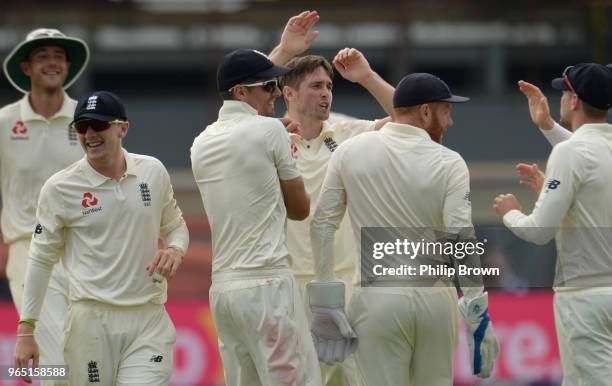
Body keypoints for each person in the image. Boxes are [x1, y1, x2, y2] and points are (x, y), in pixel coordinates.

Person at [310, 73, 499, 385]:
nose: (450, 122)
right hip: (435, 299)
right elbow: (461, 236)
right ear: (425, 112)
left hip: (376, 298)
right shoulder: (450, 162)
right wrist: (477, 313)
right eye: (446, 112)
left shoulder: (349, 151)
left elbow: (321, 225)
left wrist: (326, 301)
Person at [13, 90, 189, 385]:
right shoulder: (60, 188)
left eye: (100, 125)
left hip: (148, 319)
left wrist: (175, 248)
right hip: (91, 323)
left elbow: (175, 225)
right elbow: (40, 261)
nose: (90, 134)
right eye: (82, 127)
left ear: (123, 128)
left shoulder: (153, 172)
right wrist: (26, 331)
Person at [190, 48, 322, 385]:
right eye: (269, 86)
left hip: (223, 290)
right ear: (241, 92)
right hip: (267, 283)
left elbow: (243, 149)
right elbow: (300, 209)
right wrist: (285, 147)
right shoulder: (271, 133)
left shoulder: (200, 142)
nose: (277, 93)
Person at [494, 63, 612, 386]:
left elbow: (538, 231)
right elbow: (588, 158)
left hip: (584, 297)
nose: (559, 97)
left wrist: (510, 212)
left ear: (574, 101)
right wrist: (547, 125)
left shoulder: (569, 152)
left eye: (563, 91)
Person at [1, 28, 89, 383]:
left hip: (84, 249)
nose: (52, 63)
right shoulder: (5, 122)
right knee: (52, 348)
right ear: (26, 67)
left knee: (83, 350)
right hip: (28, 248)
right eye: (43, 56)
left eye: (59, 56)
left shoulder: (87, 119)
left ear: (67, 66)